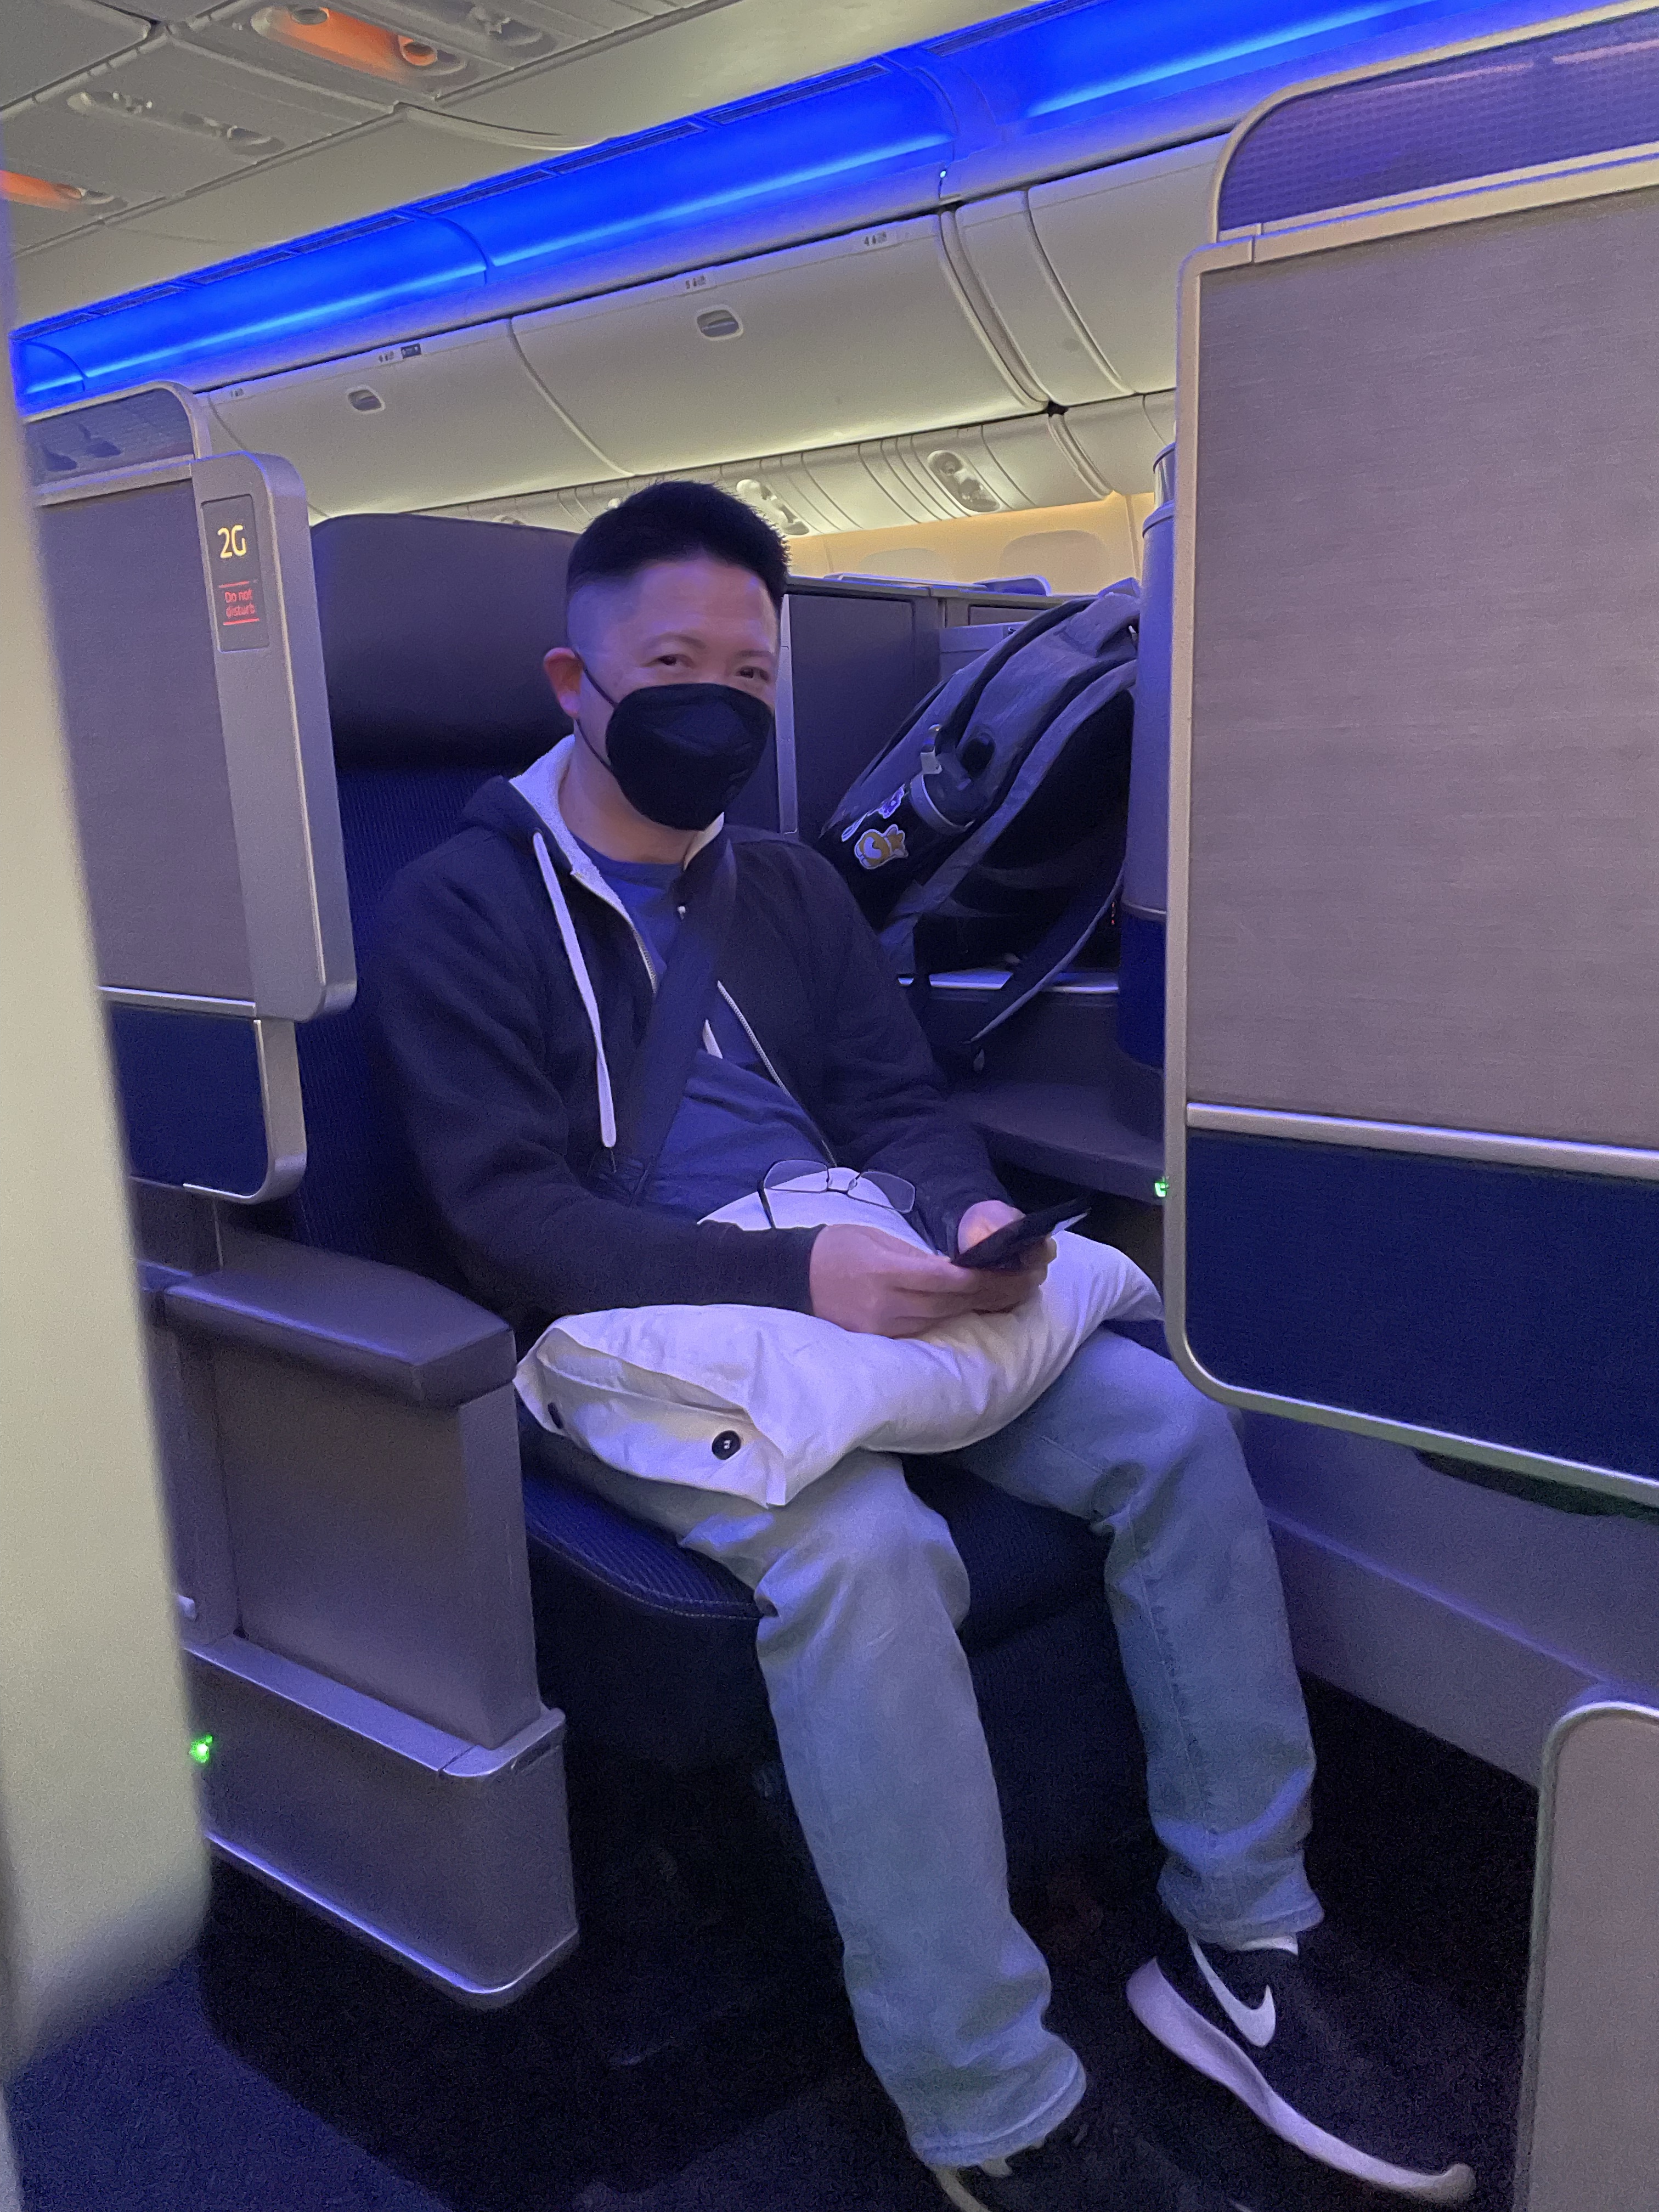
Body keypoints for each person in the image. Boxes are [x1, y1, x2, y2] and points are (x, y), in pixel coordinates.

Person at [365, 482, 1475, 2211]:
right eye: (673, 666)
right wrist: (806, 1276)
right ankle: (990, 2104)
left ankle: (1244, 1939)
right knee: (867, 1556)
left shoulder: (789, 890)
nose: (716, 704)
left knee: (1171, 1432)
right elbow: (506, 1220)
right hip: (629, 1325)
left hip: (852, 1274)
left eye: (749, 674)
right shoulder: (459, 906)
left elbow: (896, 1105)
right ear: (576, 685)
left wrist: (959, 1220)